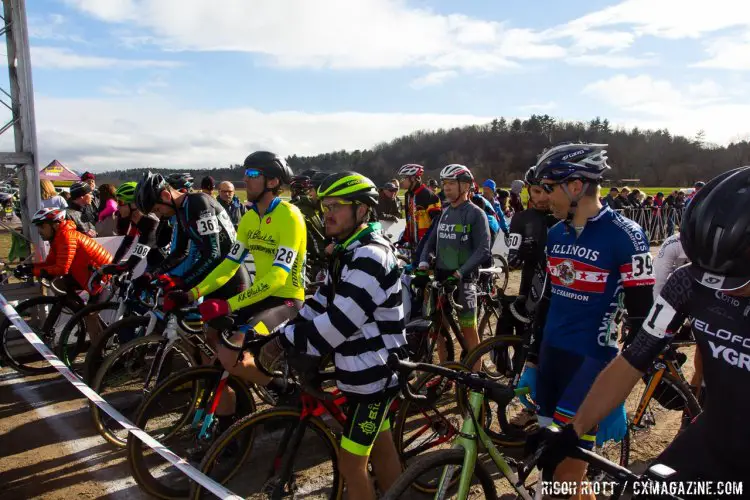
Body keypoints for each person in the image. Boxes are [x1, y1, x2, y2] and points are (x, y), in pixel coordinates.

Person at [536, 167, 750, 486]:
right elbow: (632, 358)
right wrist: (573, 430)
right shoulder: (689, 282)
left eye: (737, 279)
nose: (718, 287)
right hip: (716, 435)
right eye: (705, 269)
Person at [518, 143, 655, 497]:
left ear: (575, 186)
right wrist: (533, 357)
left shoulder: (625, 234)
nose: (543, 197)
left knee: (565, 473)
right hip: (552, 357)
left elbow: (643, 317)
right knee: (555, 475)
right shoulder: (556, 233)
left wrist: (622, 381)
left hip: (589, 363)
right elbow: (547, 299)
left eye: (549, 188)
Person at [259, 171, 407, 500]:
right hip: (359, 373)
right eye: (325, 205)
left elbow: (339, 323)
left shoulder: (371, 256)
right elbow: (317, 304)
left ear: (362, 211)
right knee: (381, 447)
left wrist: (284, 341)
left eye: (337, 205)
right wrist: (278, 332)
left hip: (376, 376)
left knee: (351, 464)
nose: (328, 212)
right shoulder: (347, 251)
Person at [167, 151, 305, 423]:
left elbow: (278, 276)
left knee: (233, 351)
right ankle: (231, 423)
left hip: (286, 301)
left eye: (253, 174)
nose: (245, 179)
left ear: (273, 181)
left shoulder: (290, 216)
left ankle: (284, 390)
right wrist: (192, 293)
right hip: (261, 297)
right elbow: (229, 264)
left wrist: (229, 304)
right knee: (215, 346)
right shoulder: (251, 219)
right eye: (245, 173)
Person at [133, 172, 250, 314]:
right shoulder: (182, 211)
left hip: (232, 277)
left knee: (224, 333)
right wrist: (152, 274)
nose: (159, 215)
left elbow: (213, 253)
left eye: (157, 209)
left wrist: (181, 282)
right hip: (213, 277)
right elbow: (181, 252)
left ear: (165, 196)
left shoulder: (199, 202)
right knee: (207, 332)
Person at [418, 164, 491, 369]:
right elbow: (430, 243)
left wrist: (460, 273)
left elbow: (483, 250)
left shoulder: (476, 214)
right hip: (442, 280)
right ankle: (445, 376)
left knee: (469, 331)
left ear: (466, 186)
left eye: (451, 183)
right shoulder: (445, 212)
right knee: (440, 332)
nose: (446, 188)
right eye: (444, 184)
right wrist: (423, 264)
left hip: (464, 282)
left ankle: (476, 381)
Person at [17, 208, 112, 339]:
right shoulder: (58, 237)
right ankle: (78, 312)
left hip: (102, 277)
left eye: (42, 226)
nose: (39, 231)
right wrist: (30, 267)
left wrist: (33, 271)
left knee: (90, 315)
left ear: (55, 225)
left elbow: (62, 269)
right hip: (86, 275)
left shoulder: (67, 237)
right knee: (58, 284)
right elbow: (50, 263)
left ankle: (98, 355)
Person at [101, 182, 170, 276]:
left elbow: (133, 261)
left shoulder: (151, 222)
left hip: (163, 265)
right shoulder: (136, 221)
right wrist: (113, 263)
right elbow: (127, 243)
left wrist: (119, 268)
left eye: (120, 202)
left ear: (134, 204)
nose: (117, 207)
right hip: (153, 262)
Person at [396, 164, 441, 252]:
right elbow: (409, 221)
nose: (402, 181)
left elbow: (437, 224)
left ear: (413, 178)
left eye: (404, 178)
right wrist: (403, 240)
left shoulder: (428, 195)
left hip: (428, 246)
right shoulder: (408, 195)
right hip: (414, 246)